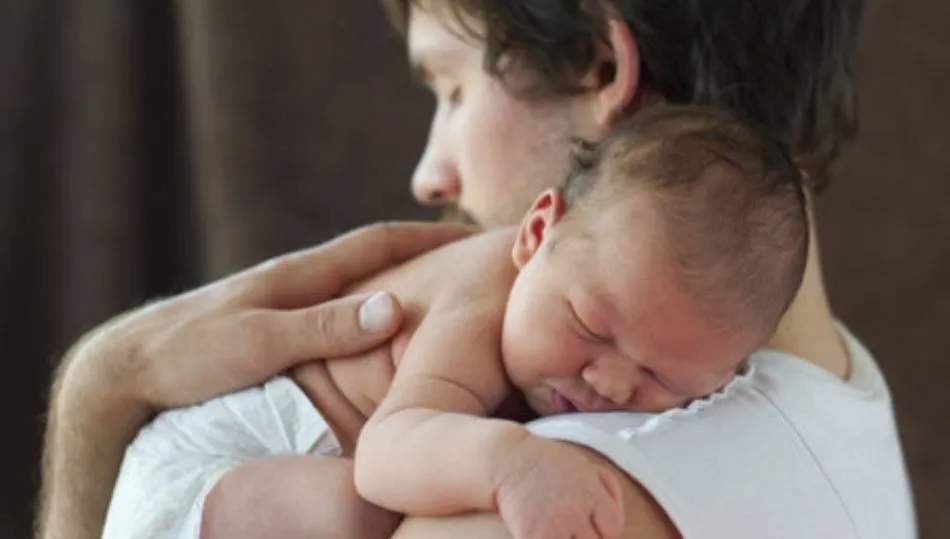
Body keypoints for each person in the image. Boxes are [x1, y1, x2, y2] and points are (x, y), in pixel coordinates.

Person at [38, 1, 917, 539]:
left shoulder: (559, 495)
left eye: (453, 89)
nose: (430, 176)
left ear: (602, 65)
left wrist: (101, 394)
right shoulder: (843, 396)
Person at [100, 106, 810, 539]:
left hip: (277, 482)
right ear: (536, 233)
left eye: (665, 377)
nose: (608, 381)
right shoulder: (483, 299)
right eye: (591, 326)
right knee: (368, 515)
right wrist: (510, 464)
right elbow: (387, 453)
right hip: (204, 472)